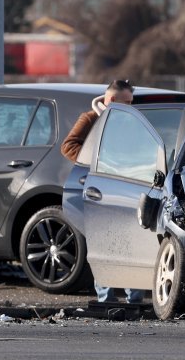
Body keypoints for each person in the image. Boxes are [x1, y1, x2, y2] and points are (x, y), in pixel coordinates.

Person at [61, 79, 145, 305]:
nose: (130, 106)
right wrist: (98, 162)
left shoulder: (128, 122)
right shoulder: (90, 119)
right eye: (127, 101)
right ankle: (106, 298)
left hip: (127, 186)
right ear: (112, 100)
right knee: (103, 245)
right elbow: (68, 146)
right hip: (100, 189)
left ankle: (133, 298)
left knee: (130, 244)